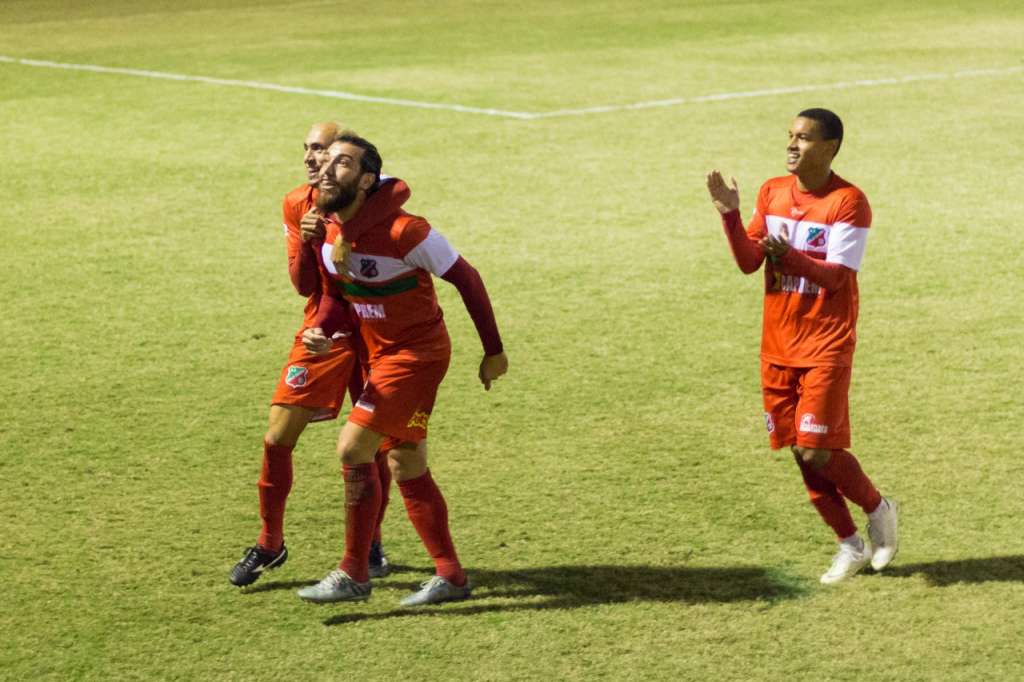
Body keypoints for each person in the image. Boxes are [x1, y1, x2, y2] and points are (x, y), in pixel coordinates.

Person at [295, 133, 508, 606]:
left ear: (366, 180)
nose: (326, 168)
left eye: (342, 163)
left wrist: (493, 351)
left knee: (353, 448)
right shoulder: (327, 233)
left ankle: (354, 572)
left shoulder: (407, 232)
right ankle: (451, 575)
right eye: (326, 160)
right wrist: (323, 330)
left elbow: (468, 279)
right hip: (379, 355)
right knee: (405, 461)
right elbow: (335, 297)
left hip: (416, 356)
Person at [705, 108, 898, 584]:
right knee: (798, 450)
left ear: (830, 147)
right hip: (777, 345)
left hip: (826, 343)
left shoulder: (849, 202)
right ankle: (849, 544)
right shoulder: (772, 191)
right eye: (790, 136)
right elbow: (749, 262)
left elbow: (836, 278)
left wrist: (789, 256)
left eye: (804, 138)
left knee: (815, 450)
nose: (792, 145)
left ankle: (878, 508)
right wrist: (730, 215)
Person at [229, 122, 410, 587]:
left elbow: (399, 188)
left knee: (376, 447)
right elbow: (304, 285)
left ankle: (370, 544)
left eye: (324, 151)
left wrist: (344, 230)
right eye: (309, 149)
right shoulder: (296, 203)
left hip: (375, 331)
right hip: (324, 328)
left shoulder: (375, 193)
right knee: (277, 434)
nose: (313, 159)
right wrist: (312, 240)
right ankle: (269, 542)